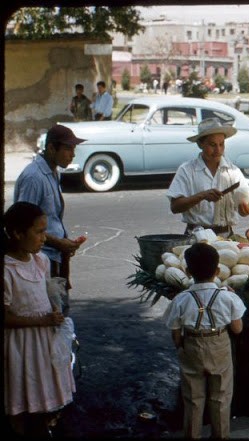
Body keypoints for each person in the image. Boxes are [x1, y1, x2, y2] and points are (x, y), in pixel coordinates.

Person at [3, 201, 76, 438]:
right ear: (17, 233)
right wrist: (41, 321)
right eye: (39, 231)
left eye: (45, 231)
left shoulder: (41, 261)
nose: (45, 238)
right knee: (20, 390)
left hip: (42, 342)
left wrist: (54, 313)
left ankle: (43, 424)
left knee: (41, 386)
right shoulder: (7, 270)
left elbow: (50, 292)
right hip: (19, 344)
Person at [163, 242, 246, 438]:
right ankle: (220, 436)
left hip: (191, 344)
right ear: (218, 270)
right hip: (219, 345)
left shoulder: (181, 299)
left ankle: (192, 436)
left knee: (193, 398)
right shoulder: (228, 297)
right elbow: (237, 328)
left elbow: (175, 333)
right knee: (221, 396)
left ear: (188, 271)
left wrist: (181, 348)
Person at [14, 124, 87, 311]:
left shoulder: (53, 172)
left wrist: (64, 243)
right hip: (41, 258)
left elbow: (50, 220)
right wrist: (58, 242)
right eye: (68, 149)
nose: (72, 155)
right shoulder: (34, 177)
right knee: (49, 312)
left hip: (55, 255)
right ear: (52, 148)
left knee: (60, 309)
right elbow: (23, 224)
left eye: (74, 149)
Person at [166, 118, 249, 237]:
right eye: (212, 145)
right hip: (196, 237)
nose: (218, 150)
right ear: (200, 144)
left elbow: (241, 206)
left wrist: (245, 210)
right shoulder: (187, 170)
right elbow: (175, 207)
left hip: (226, 237)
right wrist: (202, 195)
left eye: (221, 144)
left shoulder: (233, 171)